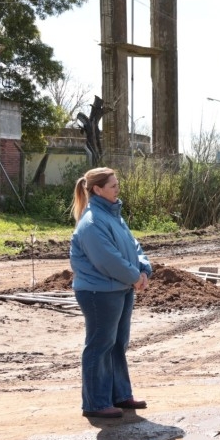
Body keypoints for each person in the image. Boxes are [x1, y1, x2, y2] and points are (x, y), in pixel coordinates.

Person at [70, 167, 152, 418]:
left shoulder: (113, 216)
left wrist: (144, 269)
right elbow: (108, 260)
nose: (118, 189)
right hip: (99, 292)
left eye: (117, 184)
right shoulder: (93, 222)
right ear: (97, 189)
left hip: (121, 288)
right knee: (100, 345)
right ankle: (95, 403)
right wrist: (134, 277)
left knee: (117, 344)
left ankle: (119, 395)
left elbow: (133, 245)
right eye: (113, 185)